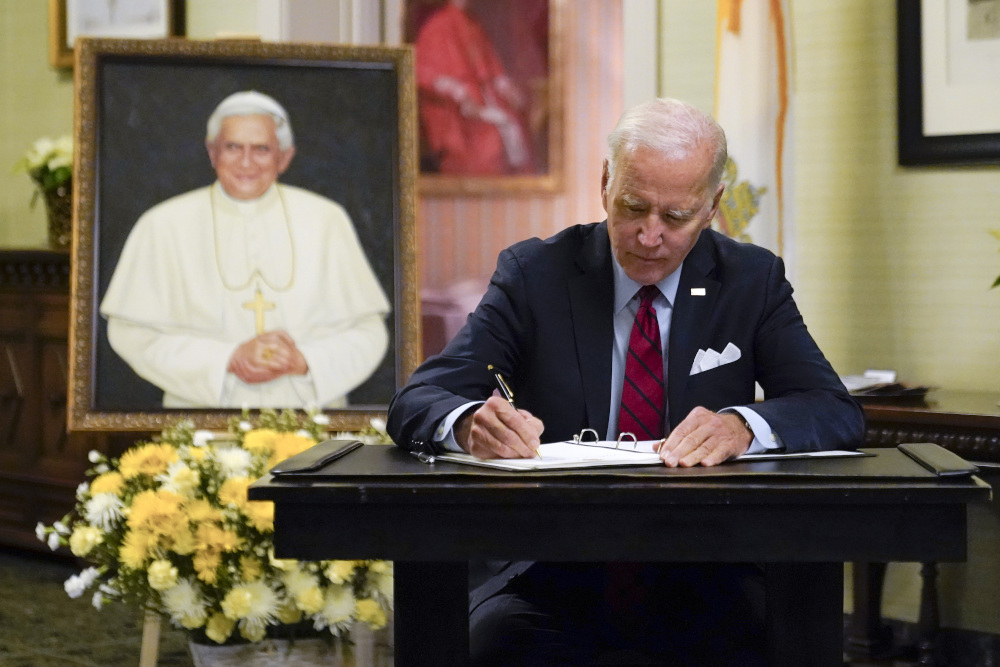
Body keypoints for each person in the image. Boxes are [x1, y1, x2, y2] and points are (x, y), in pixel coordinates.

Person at [387, 97, 865, 665]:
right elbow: (417, 399)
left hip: (710, 565)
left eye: (676, 216)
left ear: (712, 206)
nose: (649, 234)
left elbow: (834, 409)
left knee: (784, 640)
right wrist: (468, 423)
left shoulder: (750, 280)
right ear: (606, 183)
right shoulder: (535, 274)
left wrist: (744, 425)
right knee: (485, 645)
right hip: (550, 569)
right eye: (634, 206)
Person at [100, 91, 390, 409]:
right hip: (201, 422)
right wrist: (226, 358)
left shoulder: (326, 220)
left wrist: (304, 361)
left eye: (262, 149)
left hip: (313, 420)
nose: (246, 162)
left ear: (285, 157)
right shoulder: (162, 225)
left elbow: (368, 333)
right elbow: (132, 334)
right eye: (233, 147)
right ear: (212, 153)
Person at [414, 0, 534, 175]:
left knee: (515, 124)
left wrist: (505, 86)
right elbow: (425, 75)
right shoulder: (436, 27)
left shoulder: (473, 24)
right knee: (490, 138)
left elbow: (490, 69)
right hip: (456, 112)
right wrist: (459, 93)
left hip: (483, 100)